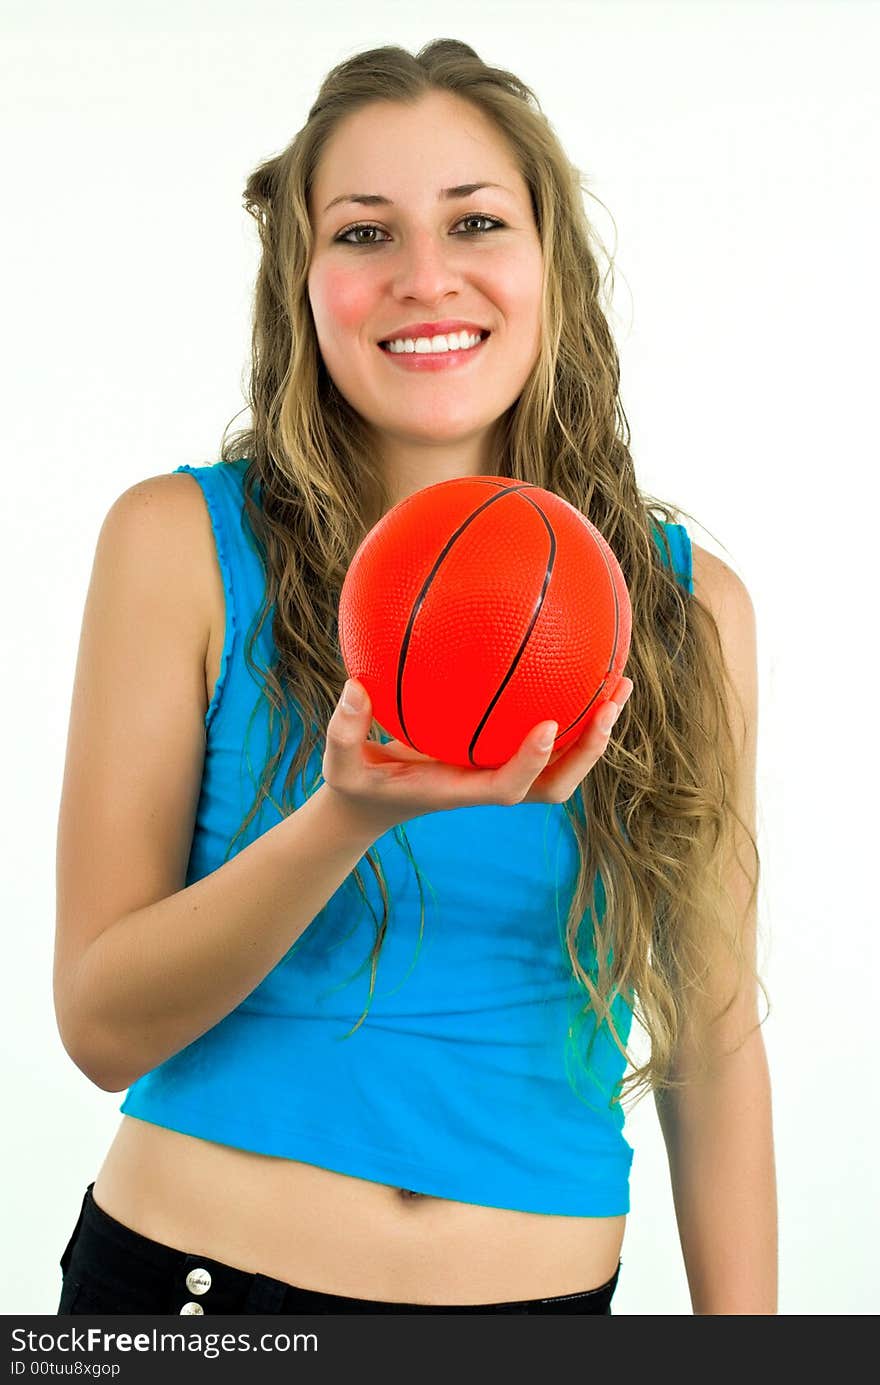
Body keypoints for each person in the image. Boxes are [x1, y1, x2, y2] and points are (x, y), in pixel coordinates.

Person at [52, 38, 777, 1317]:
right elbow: (101, 1028)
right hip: (194, 1302)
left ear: (550, 262)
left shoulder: (685, 611)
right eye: (364, 232)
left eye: (476, 221)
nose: (424, 276)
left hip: (541, 1310)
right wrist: (347, 817)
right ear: (303, 280)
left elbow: (711, 1044)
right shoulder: (177, 546)